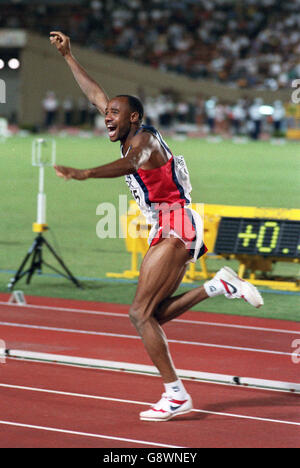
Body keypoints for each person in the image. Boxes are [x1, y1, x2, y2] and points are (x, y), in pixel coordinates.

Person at [50, 31, 263, 422]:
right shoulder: (128, 130)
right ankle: (218, 286)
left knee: (139, 314)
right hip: (169, 225)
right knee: (153, 316)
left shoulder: (144, 141)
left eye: (115, 113)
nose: (107, 117)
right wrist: (68, 56)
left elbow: (130, 164)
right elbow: (95, 94)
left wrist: (83, 173)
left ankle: (176, 394)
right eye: (107, 113)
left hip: (176, 223)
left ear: (134, 117)